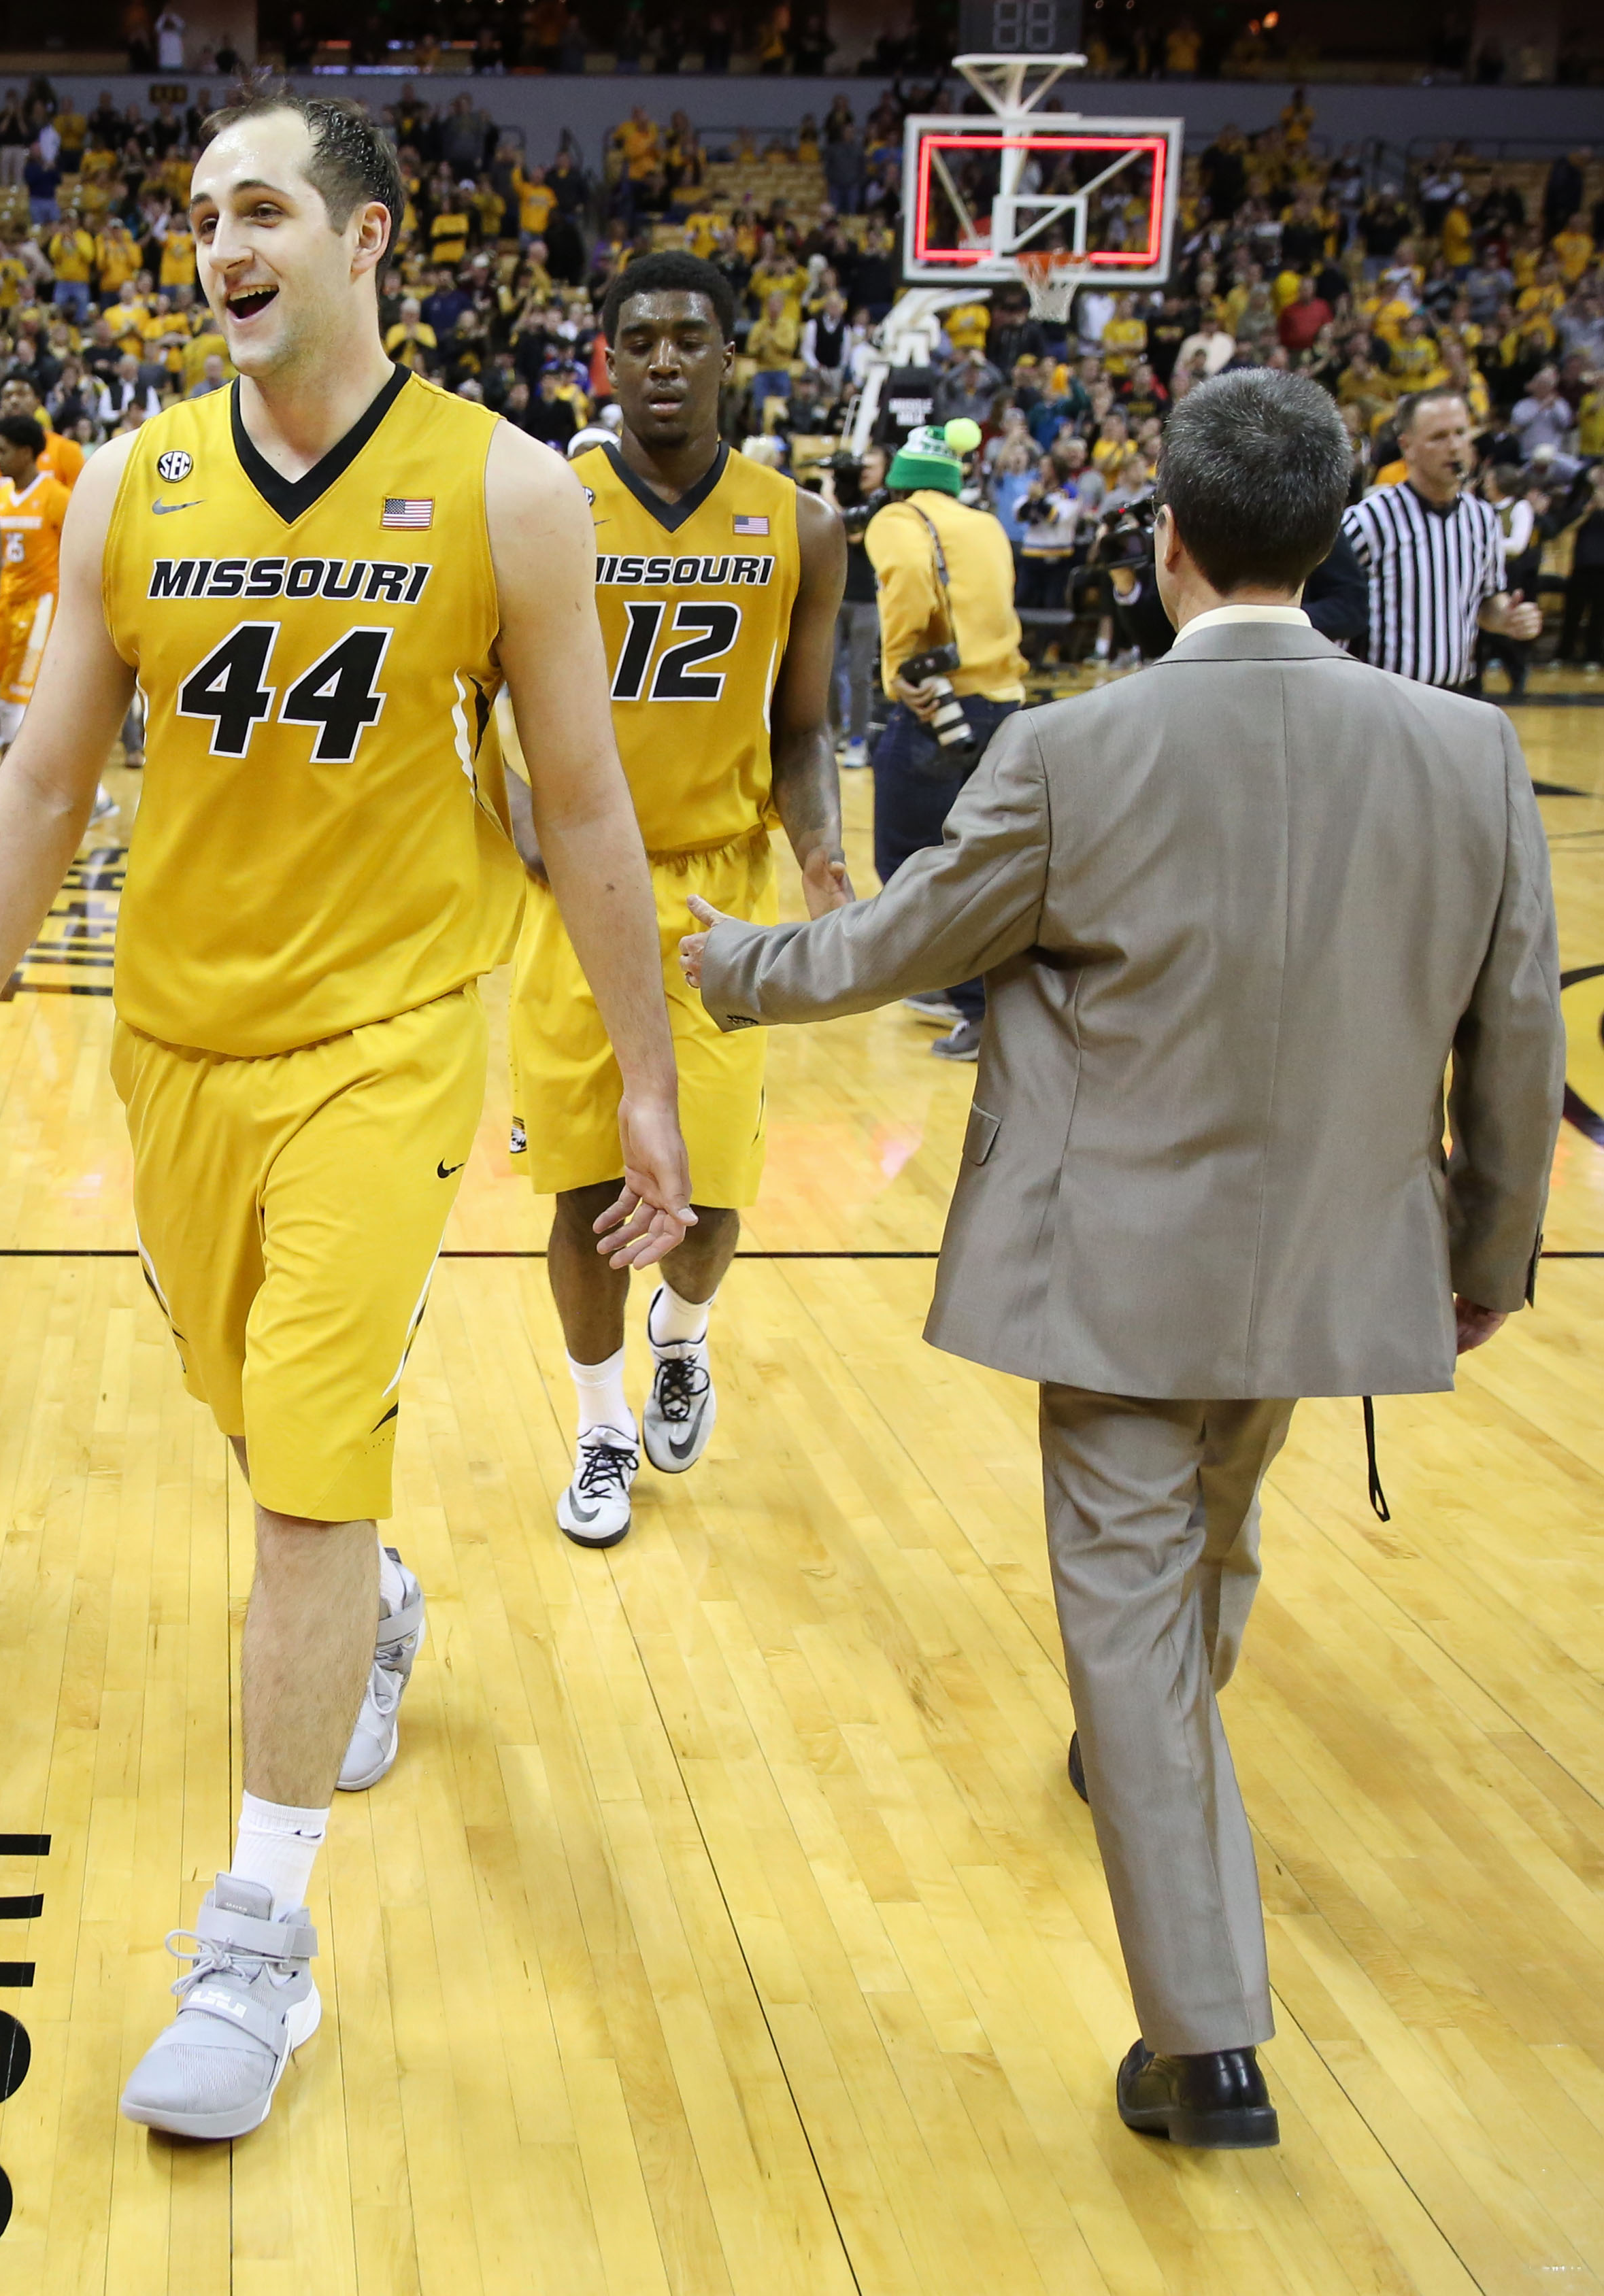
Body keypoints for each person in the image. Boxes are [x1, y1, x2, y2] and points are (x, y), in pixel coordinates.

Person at [0, 87, 689, 2148]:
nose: (214, 243)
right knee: (255, 1419)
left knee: (302, 1475)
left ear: (363, 241)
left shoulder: (502, 491)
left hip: (395, 1036)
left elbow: (579, 806)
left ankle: (257, 1941)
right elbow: (40, 788)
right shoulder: (128, 484)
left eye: (254, 209)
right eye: (195, 215)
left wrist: (644, 1079)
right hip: (175, 1040)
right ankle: (380, 1614)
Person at [684, 368, 1562, 2157]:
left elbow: (891, 948)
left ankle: (1202, 2044)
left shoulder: (1068, 750)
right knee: (1216, 1526)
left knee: (1131, 1613)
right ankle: (1136, 1754)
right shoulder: (1463, 752)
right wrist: (1480, 1256)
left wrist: (724, 965)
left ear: (1160, 541)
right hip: (1330, 1259)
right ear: (1327, 539)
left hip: (1106, 1268)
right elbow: (1517, 1035)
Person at [497, 252, 848, 1550]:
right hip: (581, 897)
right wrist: (523, 807)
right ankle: (598, 1427)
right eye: (634, 338)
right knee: (586, 1192)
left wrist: (821, 852)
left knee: (706, 1197)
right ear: (604, 358)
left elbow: (805, 728)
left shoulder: (800, 522)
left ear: (726, 357)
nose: (660, 360)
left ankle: (684, 1335)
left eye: (686, 339)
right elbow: (476, 693)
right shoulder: (544, 503)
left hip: (721, 894)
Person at [863, 420, 1023, 1062]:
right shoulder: (985, 524)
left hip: (938, 705)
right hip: (1005, 708)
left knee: (909, 865)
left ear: (903, 482)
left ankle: (977, 1007)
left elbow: (905, 579)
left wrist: (898, 667)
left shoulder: (897, 523)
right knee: (986, 865)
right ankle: (962, 990)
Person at [1345, 388, 1545, 696]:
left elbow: (1485, 603)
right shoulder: (1369, 520)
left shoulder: (1483, 520)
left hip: (1457, 694)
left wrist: (1509, 619)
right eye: (1438, 437)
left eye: (1460, 433)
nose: (1453, 447)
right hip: (1384, 698)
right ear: (1407, 447)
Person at [0, 410, 70, 786]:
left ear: (27, 452)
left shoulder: (57, 498)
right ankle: (94, 797)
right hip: (2, 608)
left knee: (17, 704)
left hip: (42, 609)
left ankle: (16, 787)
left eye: (3, 451)